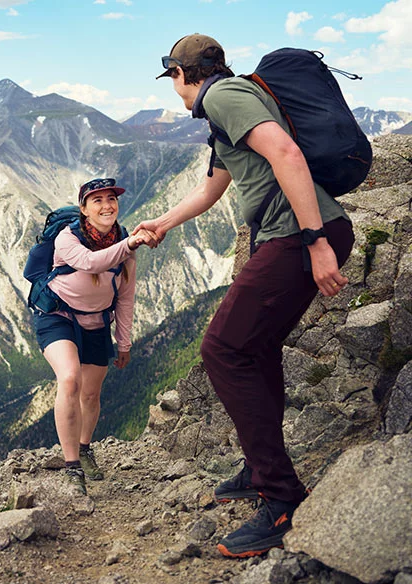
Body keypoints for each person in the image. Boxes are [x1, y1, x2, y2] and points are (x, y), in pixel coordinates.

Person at [137, 34, 354, 557]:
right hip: (299, 235)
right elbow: (212, 187)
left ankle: (281, 499)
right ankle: (262, 468)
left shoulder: (221, 96)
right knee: (253, 349)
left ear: (183, 74)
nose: (175, 91)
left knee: (223, 349)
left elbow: (286, 152)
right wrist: (163, 223)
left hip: (298, 236)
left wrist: (316, 242)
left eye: (172, 79)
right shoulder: (226, 111)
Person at [34, 178, 155, 496]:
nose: (107, 205)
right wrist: (128, 246)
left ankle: (84, 448)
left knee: (90, 395)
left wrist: (124, 342)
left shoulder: (123, 242)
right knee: (70, 379)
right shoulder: (67, 237)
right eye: (97, 200)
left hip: (98, 323)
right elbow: (89, 263)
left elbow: (125, 297)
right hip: (58, 317)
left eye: (111, 199)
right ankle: (72, 466)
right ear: (84, 209)